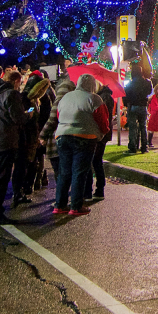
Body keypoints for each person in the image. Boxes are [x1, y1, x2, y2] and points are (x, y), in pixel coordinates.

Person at [53, 74, 109, 216]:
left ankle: (59, 204)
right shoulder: (94, 98)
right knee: (79, 172)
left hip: (63, 135)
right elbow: (102, 120)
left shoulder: (66, 97)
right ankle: (76, 206)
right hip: (84, 137)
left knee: (64, 172)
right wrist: (102, 133)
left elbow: (59, 115)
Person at [0, 70, 32, 225]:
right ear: (16, 81)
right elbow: (19, 119)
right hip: (4, 141)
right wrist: (29, 114)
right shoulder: (10, 95)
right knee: (1, 178)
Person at [11, 73, 49, 206]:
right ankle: (18, 191)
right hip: (24, 138)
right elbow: (27, 116)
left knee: (29, 165)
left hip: (32, 137)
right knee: (21, 166)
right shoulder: (24, 99)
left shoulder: (34, 100)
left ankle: (24, 189)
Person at [39, 76, 75, 186]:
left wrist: (42, 135)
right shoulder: (75, 101)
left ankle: (60, 199)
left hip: (57, 139)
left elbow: (52, 120)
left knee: (59, 172)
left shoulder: (59, 101)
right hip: (73, 139)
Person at [85, 82, 114, 201]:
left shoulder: (104, 97)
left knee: (96, 161)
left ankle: (98, 189)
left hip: (101, 132)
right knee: (96, 161)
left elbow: (102, 115)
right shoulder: (102, 95)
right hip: (100, 131)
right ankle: (96, 189)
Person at [123, 63, 153, 153]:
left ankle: (132, 146)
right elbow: (149, 91)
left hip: (133, 105)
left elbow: (126, 96)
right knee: (143, 126)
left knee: (133, 127)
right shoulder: (146, 82)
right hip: (143, 106)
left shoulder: (130, 84)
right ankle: (144, 147)